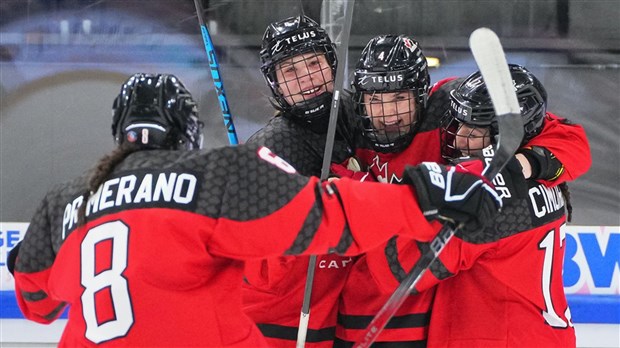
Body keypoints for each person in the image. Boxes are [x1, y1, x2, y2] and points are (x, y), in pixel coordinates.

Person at [7, 73, 503, 347]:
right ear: (188, 130)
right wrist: (423, 195)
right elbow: (326, 216)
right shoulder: (213, 175)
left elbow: (37, 303)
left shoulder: (69, 199)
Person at [333, 36, 591, 347]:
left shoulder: (483, 191)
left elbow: (396, 268)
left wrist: (357, 194)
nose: (388, 114)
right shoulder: (467, 123)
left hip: (482, 334)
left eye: (400, 97)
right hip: (536, 332)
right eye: (375, 100)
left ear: (423, 93)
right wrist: (522, 165)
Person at [242, 15, 359, 347]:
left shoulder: (358, 112)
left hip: (354, 309)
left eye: (313, 62)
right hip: (287, 321)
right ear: (275, 83)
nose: (306, 77)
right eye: (290, 71)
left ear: (331, 64)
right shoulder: (271, 146)